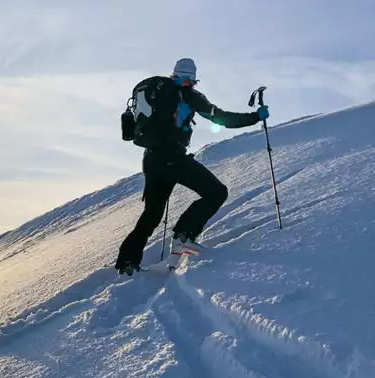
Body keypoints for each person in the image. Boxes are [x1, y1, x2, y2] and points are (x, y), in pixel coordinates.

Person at [114, 58, 269, 275]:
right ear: (191, 79)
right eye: (191, 81)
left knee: (151, 214)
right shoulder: (187, 95)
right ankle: (183, 237)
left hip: (151, 159)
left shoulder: (158, 93)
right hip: (173, 158)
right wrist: (255, 117)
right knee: (217, 192)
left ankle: (126, 264)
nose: (190, 85)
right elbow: (221, 118)